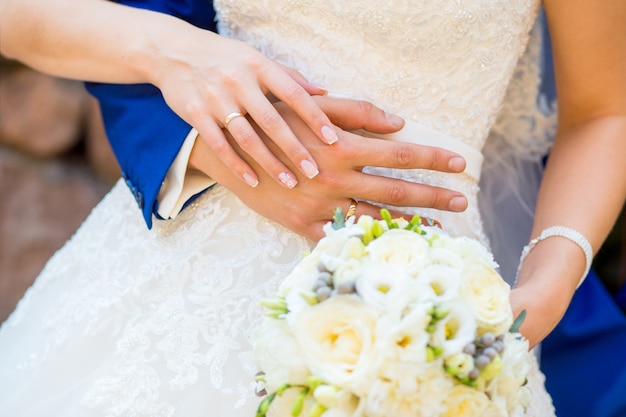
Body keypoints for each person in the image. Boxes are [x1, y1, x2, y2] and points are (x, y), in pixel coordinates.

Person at [0, 1, 624, 417]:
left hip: (432, 300)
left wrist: (551, 276)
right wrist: (168, 50)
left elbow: (605, 111)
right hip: (177, 275)